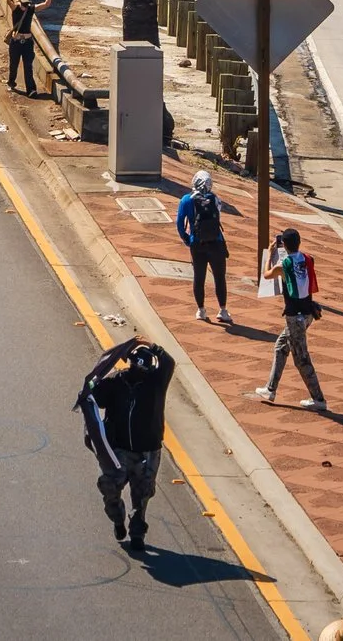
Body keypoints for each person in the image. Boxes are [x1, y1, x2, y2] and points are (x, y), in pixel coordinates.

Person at [76, 336, 174, 554]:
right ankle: (118, 518)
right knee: (109, 486)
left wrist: (150, 345)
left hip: (148, 449)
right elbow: (92, 393)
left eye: (143, 371)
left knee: (143, 493)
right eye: (135, 369)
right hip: (118, 449)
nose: (138, 374)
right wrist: (88, 389)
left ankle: (137, 532)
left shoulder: (156, 384)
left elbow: (169, 362)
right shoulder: (115, 382)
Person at [256, 226, 325, 409]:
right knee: (280, 347)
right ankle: (270, 389)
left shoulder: (282, 266)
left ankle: (319, 399)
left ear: (284, 245)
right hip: (309, 311)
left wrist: (270, 254)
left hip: (295, 317)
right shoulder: (308, 259)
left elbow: (266, 275)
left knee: (301, 358)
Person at [175, 169, 232, 326]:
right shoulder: (215, 199)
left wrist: (187, 239)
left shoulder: (186, 200)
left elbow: (180, 223)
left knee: (199, 278)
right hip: (217, 243)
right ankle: (223, 310)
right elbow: (217, 218)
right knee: (219, 277)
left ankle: (201, 310)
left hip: (197, 244)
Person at [3, 0, 41, 95]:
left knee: (28, 66)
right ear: (19, 2)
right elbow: (8, 2)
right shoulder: (15, 9)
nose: (25, 7)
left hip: (27, 43)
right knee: (13, 64)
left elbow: (46, 4)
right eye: (23, 4)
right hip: (16, 42)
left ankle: (31, 89)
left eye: (26, 4)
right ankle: (11, 82)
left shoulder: (31, 9)